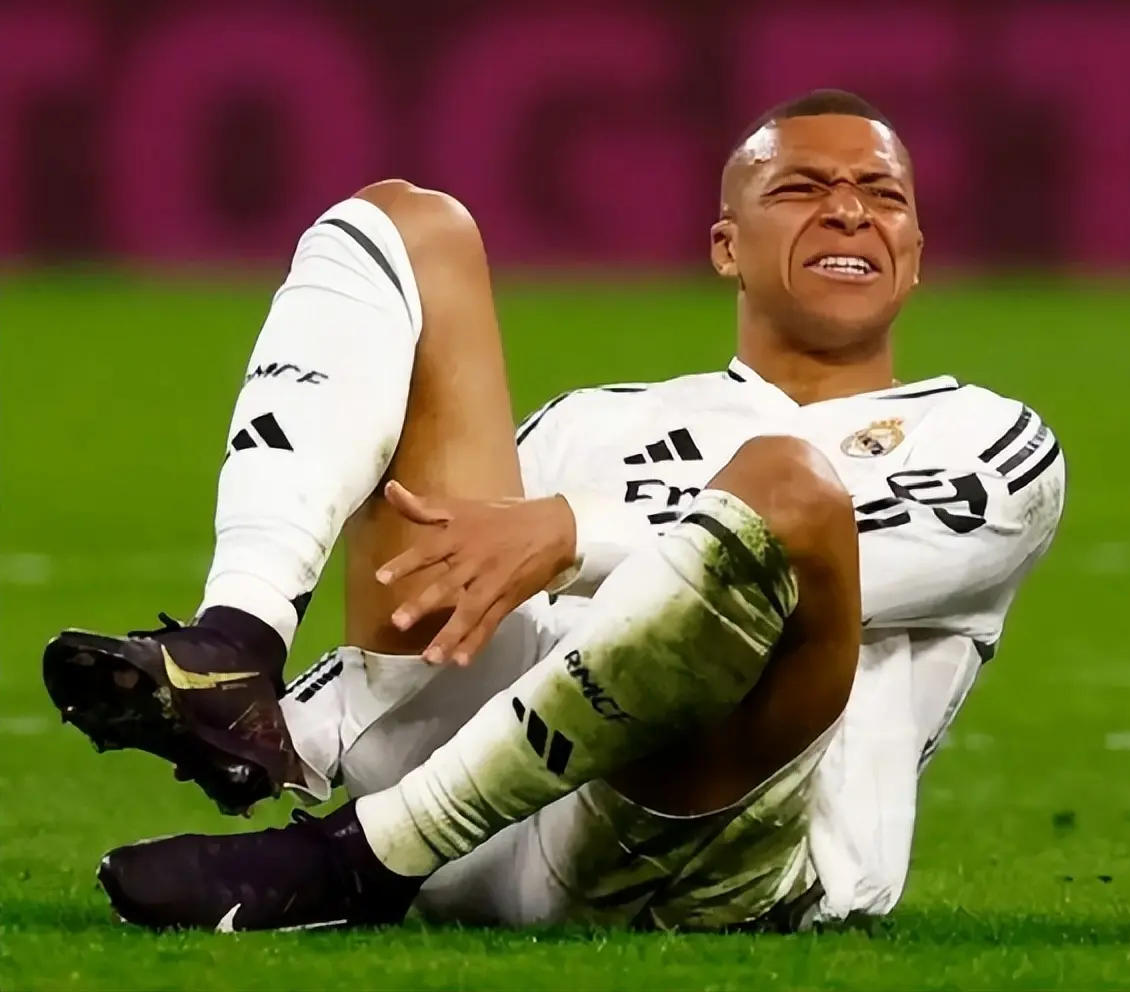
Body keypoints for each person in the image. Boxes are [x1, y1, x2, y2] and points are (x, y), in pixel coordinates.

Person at [44, 90, 1065, 933]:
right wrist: (295, 735)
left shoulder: (985, 437)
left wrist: (573, 532)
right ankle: (236, 640)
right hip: (484, 826)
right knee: (408, 222)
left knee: (788, 491)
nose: (848, 211)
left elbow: (811, 548)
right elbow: (447, 583)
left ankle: (359, 856)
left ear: (915, 251)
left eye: (882, 195)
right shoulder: (593, 421)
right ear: (725, 246)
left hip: (707, 847)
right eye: (801, 188)